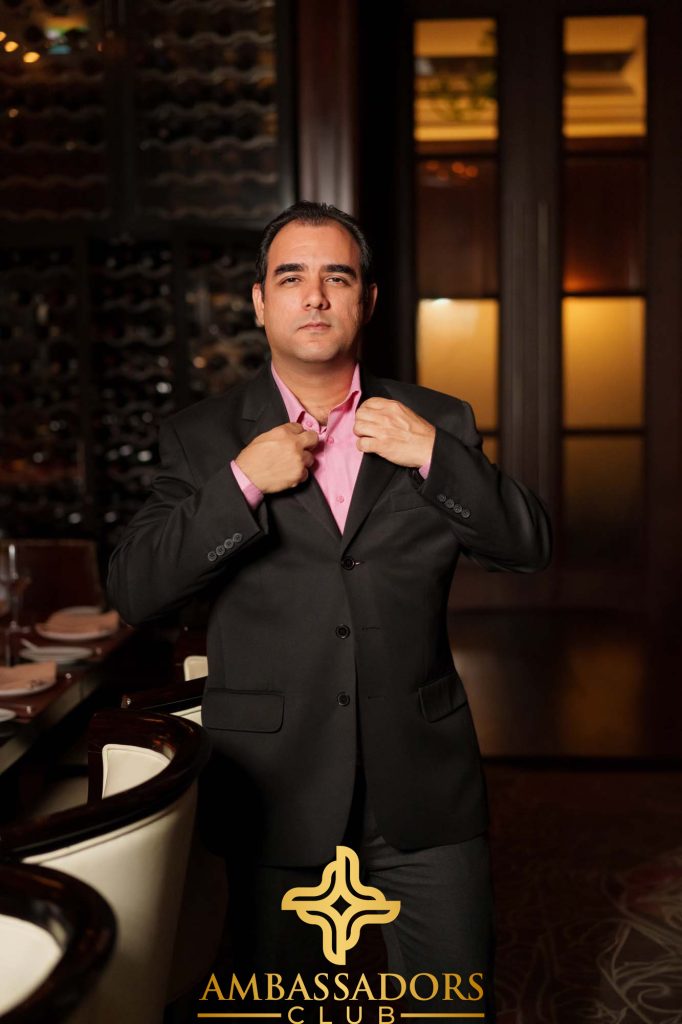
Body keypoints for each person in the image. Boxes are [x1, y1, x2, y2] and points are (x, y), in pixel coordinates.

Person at [107, 200, 552, 1020]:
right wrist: (241, 484)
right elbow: (135, 589)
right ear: (259, 302)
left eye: (336, 277)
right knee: (291, 1009)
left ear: (366, 299)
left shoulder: (438, 419)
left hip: (423, 776)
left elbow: (526, 548)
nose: (314, 296)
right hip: (275, 782)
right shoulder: (202, 437)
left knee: (452, 1002)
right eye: (291, 278)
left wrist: (434, 456)